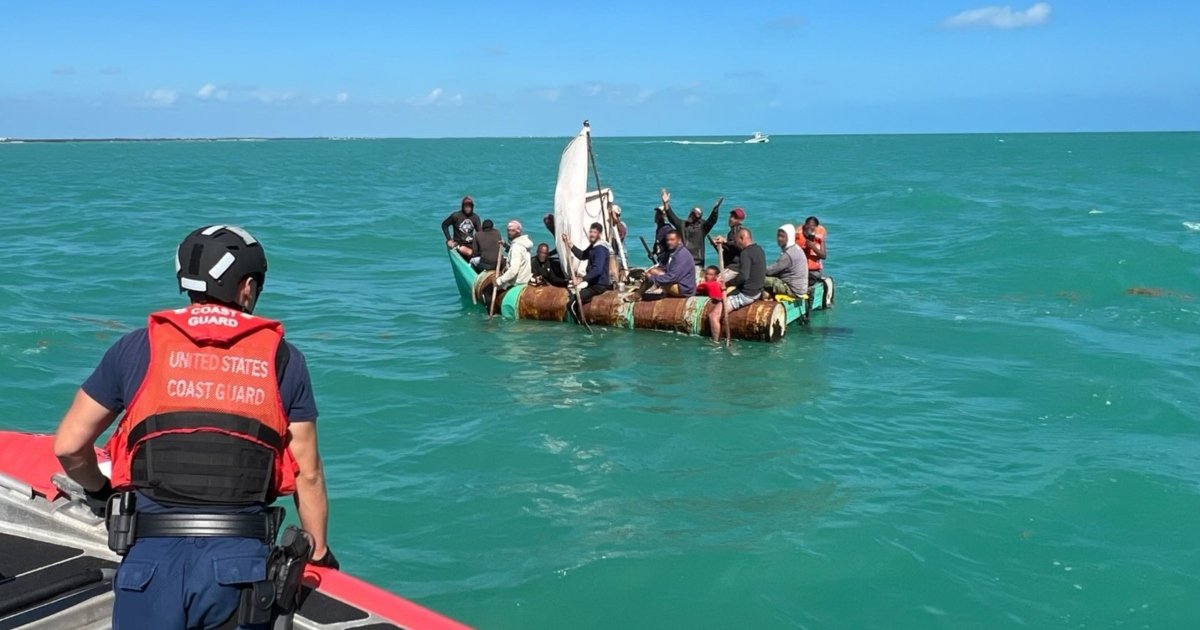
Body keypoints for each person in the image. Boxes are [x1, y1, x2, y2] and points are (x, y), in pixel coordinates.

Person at [53, 225, 336, 630]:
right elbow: (307, 472)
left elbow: (68, 446)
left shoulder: (136, 347)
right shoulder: (284, 360)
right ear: (246, 287)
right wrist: (321, 551)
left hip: (147, 564)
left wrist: (101, 492)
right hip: (239, 569)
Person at [708, 227, 765, 342]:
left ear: (742, 238)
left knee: (713, 316)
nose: (737, 244)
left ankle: (715, 344)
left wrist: (727, 284)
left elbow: (744, 275)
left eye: (737, 241)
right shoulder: (759, 249)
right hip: (757, 291)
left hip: (747, 295)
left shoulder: (745, 253)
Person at [627, 229, 696, 301]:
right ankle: (638, 294)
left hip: (684, 290)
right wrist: (647, 274)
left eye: (672, 240)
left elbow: (672, 277)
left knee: (652, 274)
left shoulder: (681, 255)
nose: (669, 242)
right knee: (653, 271)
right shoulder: (674, 252)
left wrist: (652, 278)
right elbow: (666, 268)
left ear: (679, 241)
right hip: (680, 284)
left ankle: (637, 295)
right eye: (668, 240)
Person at [661, 189, 721, 269]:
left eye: (694, 215)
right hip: (683, 260)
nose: (691, 216)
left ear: (698, 218)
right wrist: (666, 203)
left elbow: (712, 221)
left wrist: (715, 210)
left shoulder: (702, 227)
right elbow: (672, 217)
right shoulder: (682, 225)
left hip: (697, 262)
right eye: (691, 213)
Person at [562, 222, 612, 305]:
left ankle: (577, 317)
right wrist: (569, 243)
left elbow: (597, 270)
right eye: (591, 232)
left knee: (572, 301)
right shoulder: (593, 246)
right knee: (572, 291)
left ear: (599, 234)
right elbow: (582, 255)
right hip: (592, 282)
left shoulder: (600, 249)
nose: (592, 234)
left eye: (595, 232)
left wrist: (581, 279)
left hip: (599, 285)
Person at [764, 224, 809, 298]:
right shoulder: (796, 248)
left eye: (782, 236)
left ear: (790, 237)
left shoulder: (788, 254)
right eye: (778, 236)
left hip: (792, 290)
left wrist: (756, 269)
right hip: (801, 288)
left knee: (759, 279)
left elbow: (769, 271)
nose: (779, 239)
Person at [495, 220, 532, 290]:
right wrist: (505, 245)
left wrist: (499, 281)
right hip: (525, 280)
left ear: (518, 231)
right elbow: (518, 254)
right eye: (508, 230)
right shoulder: (524, 244)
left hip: (516, 283)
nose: (509, 233)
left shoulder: (516, 248)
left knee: (490, 290)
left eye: (512, 231)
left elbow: (513, 271)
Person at [797, 216, 827, 286]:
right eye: (808, 225)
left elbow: (824, 256)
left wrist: (814, 247)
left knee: (810, 279)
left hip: (813, 271)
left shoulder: (819, 237)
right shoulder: (797, 236)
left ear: (816, 228)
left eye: (813, 226)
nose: (809, 228)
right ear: (804, 226)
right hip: (799, 269)